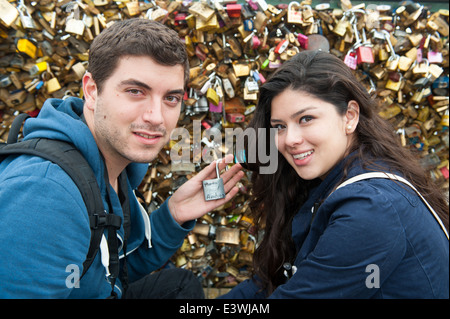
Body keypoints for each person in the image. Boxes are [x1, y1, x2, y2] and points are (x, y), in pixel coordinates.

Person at [0, 19, 243, 298]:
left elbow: (98, 273)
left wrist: (172, 216)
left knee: (179, 285)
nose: (156, 116)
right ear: (92, 91)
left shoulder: (108, 166)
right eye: (135, 91)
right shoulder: (44, 194)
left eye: (171, 98)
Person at [221, 50, 449, 299]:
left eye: (306, 118)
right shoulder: (332, 182)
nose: (290, 140)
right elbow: (266, 285)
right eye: (279, 127)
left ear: (350, 116)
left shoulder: (371, 206)